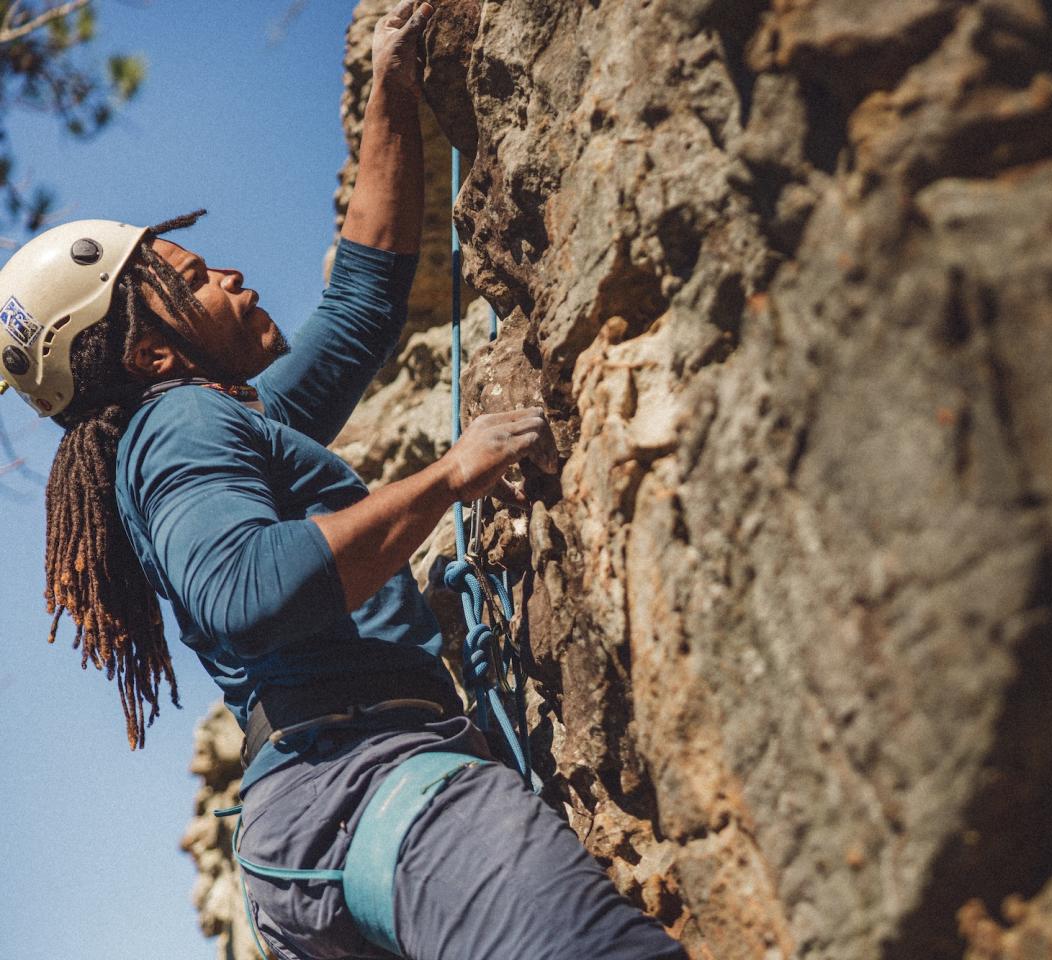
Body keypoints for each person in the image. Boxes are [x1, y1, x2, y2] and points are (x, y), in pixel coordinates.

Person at [0, 2, 687, 958]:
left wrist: (392, 92)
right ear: (151, 351)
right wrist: (451, 476)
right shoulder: (182, 423)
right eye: (194, 277)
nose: (231, 275)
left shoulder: (219, 428)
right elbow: (245, 590)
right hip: (370, 780)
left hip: (321, 830)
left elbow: (361, 304)